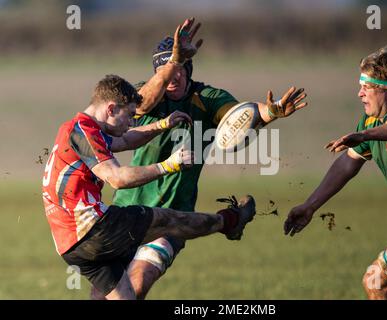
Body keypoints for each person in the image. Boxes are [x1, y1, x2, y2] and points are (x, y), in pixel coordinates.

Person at [42, 20, 257, 300]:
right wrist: (169, 165)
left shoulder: (77, 129)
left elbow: (126, 140)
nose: (132, 121)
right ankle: (230, 221)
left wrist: (161, 125)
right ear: (110, 108)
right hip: (95, 229)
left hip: (70, 244)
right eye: (129, 115)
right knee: (168, 221)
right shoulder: (83, 131)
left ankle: (229, 221)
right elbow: (118, 178)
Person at [112, 23, 308, 299]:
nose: (173, 77)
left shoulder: (208, 98)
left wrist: (271, 112)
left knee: (137, 284)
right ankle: (231, 220)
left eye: (179, 69)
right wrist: (174, 60)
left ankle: (229, 221)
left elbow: (241, 115)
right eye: (165, 70)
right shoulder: (144, 94)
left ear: (189, 69)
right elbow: (142, 104)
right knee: (107, 295)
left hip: (173, 214)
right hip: (126, 210)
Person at [284, 47, 387, 300]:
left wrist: (364, 135)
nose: (359, 93)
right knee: (380, 282)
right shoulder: (370, 123)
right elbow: (346, 165)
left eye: (367, 86)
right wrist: (310, 205)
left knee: (380, 282)